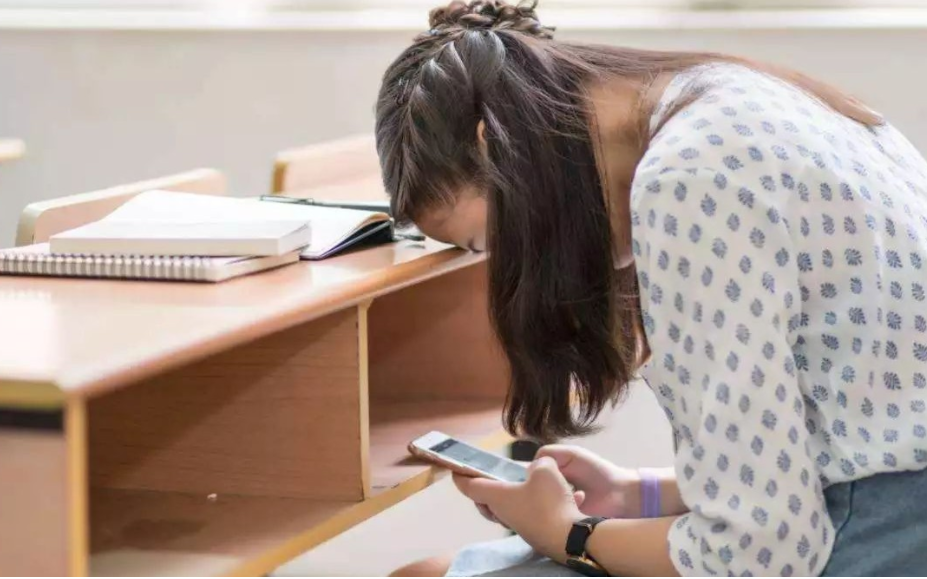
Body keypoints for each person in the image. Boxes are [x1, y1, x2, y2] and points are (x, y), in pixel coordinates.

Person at [375, 0, 927, 575]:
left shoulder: (687, 183)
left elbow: (755, 557)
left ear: (498, 147)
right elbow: (840, 446)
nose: (505, 271)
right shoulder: (742, 94)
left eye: (485, 244)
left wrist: (570, 532)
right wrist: (638, 494)